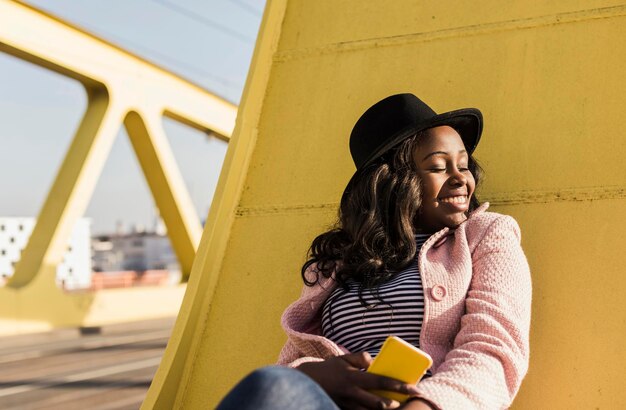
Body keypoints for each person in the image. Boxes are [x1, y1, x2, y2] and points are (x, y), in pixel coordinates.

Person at [217, 94, 532, 410]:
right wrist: (314, 375)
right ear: (393, 181)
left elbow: (493, 349)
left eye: (463, 165)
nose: (461, 179)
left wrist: (424, 405)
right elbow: (294, 363)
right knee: (270, 384)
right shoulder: (336, 262)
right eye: (438, 166)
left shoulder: (487, 235)